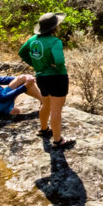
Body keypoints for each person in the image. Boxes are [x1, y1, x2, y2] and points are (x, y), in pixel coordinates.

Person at [18, 12, 73, 149]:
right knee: (56, 110)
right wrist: (59, 69)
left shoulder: (32, 40)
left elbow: (22, 53)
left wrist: (36, 65)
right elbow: (59, 61)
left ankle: (43, 129)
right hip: (57, 78)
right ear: (54, 27)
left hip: (41, 76)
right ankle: (58, 140)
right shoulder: (55, 42)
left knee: (45, 103)